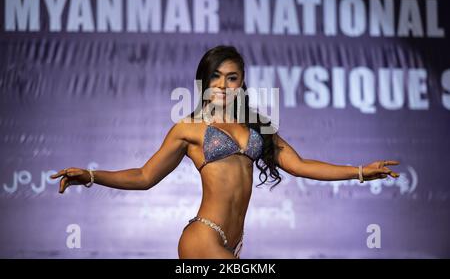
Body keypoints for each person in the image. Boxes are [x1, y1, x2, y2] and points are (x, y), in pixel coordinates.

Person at [51, 45, 400, 259]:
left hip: (234, 244)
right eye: (215, 76)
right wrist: (92, 176)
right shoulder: (188, 129)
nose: (222, 85)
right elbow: (144, 176)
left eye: (231, 78)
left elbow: (301, 164)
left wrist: (359, 172)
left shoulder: (257, 126)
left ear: (242, 82)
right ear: (204, 81)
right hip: (202, 238)